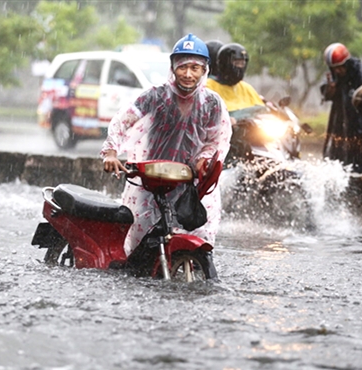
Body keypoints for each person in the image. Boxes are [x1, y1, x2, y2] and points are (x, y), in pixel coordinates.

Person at [100, 33, 232, 271]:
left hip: (189, 181)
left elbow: (217, 139)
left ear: (205, 70)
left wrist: (205, 159)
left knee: (199, 232)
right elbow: (123, 120)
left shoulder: (212, 103)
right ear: (173, 67)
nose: (188, 74)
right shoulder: (155, 95)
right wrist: (110, 151)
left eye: (195, 67)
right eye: (183, 67)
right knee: (138, 233)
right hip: (152, 179)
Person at [321, 43, 362, 173]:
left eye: (339, 67)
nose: (337, 71)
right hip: (342, 130)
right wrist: (331, 89)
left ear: (346, 63)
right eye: (334, 68)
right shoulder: (336, 77)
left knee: (360, 167)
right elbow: (327, 95)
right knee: (337, 167)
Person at [206, 43, 265, 112]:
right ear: (224, 63)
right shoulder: (208, 87)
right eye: (236, 63)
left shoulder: (246, 87)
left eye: (242, 63)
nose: (239, 67)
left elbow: (262, 109)